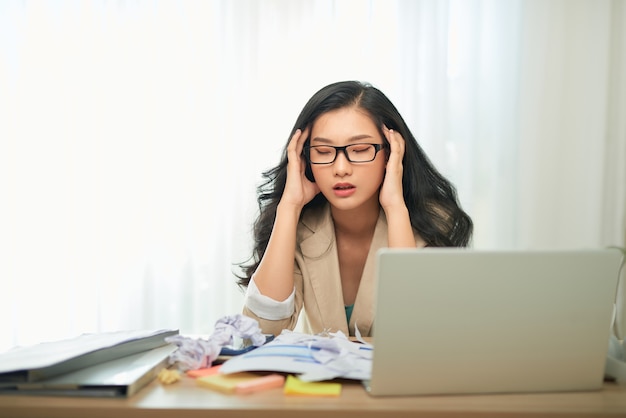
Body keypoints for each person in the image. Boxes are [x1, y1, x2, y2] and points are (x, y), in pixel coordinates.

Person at [237, 80, 472, 337]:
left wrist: (395, 208)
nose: (341, 168)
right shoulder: (299, 226)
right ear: (305, 158)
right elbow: (260, 332)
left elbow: (418, 334)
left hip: (399, 378)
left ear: (391, 152)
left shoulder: (435, 221)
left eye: (360, 150)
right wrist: (290, 207)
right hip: (321, 377)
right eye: (324, 151)